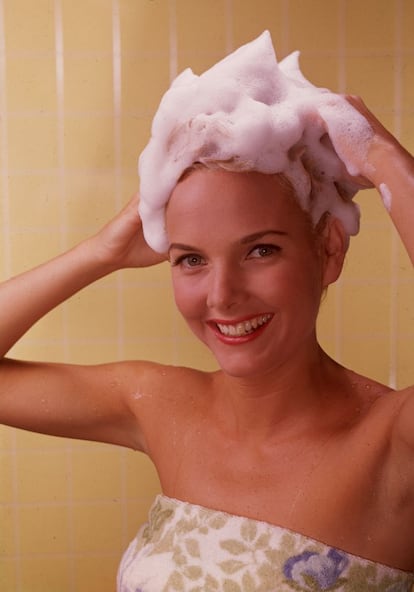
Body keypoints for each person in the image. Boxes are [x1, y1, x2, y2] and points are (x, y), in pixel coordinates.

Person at [1, 33, 414, 592]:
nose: (221, 295)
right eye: (191, 259)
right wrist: (103, 250)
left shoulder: (391, 445)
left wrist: (385, 159)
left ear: (329, 250)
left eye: (260, 250)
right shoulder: (160, 406)